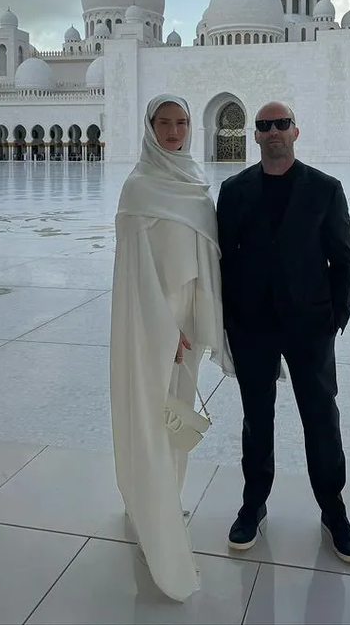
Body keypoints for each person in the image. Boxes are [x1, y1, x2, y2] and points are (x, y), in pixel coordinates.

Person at [217, 101, 350, 563]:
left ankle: (333, 510)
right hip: (253, 326)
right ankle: (253, 503)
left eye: (282, 124)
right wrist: (228, 318)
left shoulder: (325, 189)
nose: (274, 131)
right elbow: (222, 257)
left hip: (309, 325)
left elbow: (342, 259)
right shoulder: (234, 190)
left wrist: (335, 318)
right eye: (265, 126)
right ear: (254, 135)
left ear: (295, 132)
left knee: (320, 418)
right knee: (257, 419)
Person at [110, 94, 225, 602]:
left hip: (188, 324)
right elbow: (135, 274)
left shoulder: (194, 183)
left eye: (181, 122)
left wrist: (198, 325)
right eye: (164, 123)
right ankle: (148, 500)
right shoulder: (138, 188)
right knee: (151, 412)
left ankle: (166, 494)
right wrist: (164, 330)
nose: (175, 131)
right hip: (153, 325)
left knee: (176, 417)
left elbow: (205, 259)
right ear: (149, 127)